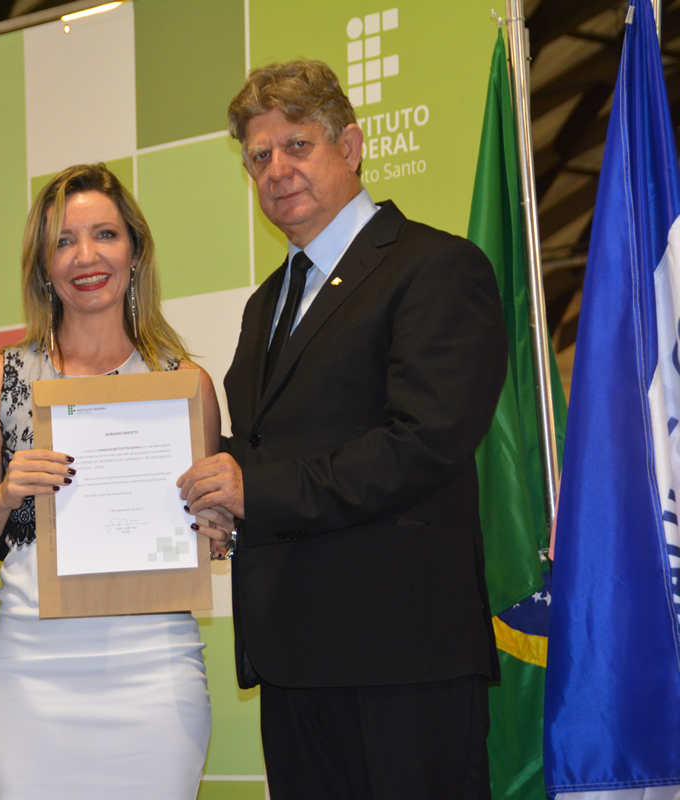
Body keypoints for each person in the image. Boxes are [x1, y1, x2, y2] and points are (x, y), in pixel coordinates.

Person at [177, 61, 508, 799]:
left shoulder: (436, 266)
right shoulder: (267, 302)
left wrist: (252, 491)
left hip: (400, 658)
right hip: (292, 659)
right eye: (258, 156)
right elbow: (269, 449)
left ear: (351, 146)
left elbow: (424, 440)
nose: (276, 170)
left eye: (297, 145)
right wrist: (204, 488)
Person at [0, 164, 226, 799]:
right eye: (63, 241)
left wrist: (217, 529)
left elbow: (210, 531)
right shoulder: (1, 378)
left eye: (104, 234)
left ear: (135, 251)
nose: (86, 257)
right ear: (42, 267)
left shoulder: (185, 384)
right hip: (31, 672)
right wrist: (5, 494)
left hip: (155, 670)